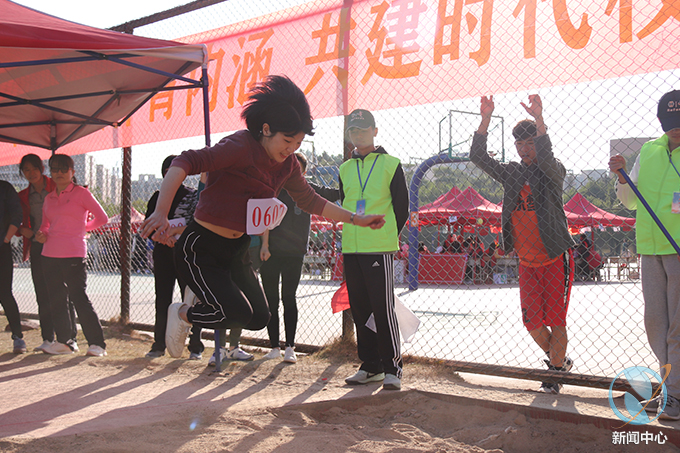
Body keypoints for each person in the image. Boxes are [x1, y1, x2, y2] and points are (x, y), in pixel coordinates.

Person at [139, 76, 385, 358]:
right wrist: (161, 212)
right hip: (201, 248)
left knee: (258, 317)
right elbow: (184, 161)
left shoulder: (288, 165)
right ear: (266, 129)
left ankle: (191, 309)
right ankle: (183, 314)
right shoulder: (239, 146)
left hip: (237, 249)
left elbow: (310, 200)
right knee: (235, 312)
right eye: (287, 140)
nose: (291, 149)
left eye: (298, 143)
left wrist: (354, 218)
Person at [470, 95, 575, 394]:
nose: (525, 148)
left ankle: (554, 374)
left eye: (530, 143)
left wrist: (539, 119)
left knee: (556, 320)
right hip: (527, 261)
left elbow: (547, 155)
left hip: (554, 256)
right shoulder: (512, 173)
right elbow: (478, 157)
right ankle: (560, 361)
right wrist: (486, 119)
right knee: (532, 323)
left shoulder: (553, 171)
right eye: (520, 144)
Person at [609, 89, 680, 420]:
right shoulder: (649, 150)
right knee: (656, 324)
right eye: (670, 121)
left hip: (678, 250)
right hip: (650, 249)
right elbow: (629, 201)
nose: (676, 127)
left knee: (677, 327)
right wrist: (622, 177)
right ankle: (672, 389)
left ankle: (674, 394)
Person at [340, 108, 409, 391]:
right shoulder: (344, 168)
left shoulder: (391, 164)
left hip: (378, 247)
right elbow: (345, 204)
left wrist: (387, 236)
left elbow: (401, 208)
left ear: (375, 131)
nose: (358, 135)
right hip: (351, 246)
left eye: (363, 129)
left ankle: (392, 367)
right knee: (359, 308)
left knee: (382, 308)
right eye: (353, 130)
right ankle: (370, 366)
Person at [260, 152, 340, 363]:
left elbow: (332, 194)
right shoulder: (273, 187)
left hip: (294, 253)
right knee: (271, 299)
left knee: (289, 297)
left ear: (303, 173)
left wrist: (351, 183)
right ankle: (274, 346)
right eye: (288, 167)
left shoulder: (307, 189)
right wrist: (264, 245)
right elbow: (264, 217)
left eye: (296, 169)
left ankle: (290, 347)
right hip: (270, 251)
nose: (291, 172)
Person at [35, 154, 109, 356]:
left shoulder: (82, 193)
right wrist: (42, 234)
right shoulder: (49, 198)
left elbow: (102, 218)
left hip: (73, 254)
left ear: (72, 172)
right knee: (56, 299)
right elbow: (45, 224)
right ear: (50, 172)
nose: (59, 173)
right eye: (55, 169)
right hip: (49, 254)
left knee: (78, 297)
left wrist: (83, 228)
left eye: (63, 169)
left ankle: (97, 344)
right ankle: (66, 342)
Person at [144, 155, 205, 359]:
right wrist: (163, 238)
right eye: (169, 171)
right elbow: (148, 226)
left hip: (185, 255)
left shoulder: (192, 196)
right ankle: (158, 344)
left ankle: (195, 346)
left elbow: (196, 224)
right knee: (162, 298)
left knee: (190, 299)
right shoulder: (157, 197)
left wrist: (177, 238)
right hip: (163, 254)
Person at [17, 153, 76, 352]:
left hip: (60, 244)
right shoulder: (24, 195)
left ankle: (70, 338)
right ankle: (47, 338)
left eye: (34, 168)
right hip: (38, 246)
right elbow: (16, 218)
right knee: (42, 292)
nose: (31, 173)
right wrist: (22, 230)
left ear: (42, 169)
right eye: (26, 170)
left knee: (63, 291)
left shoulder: (57, 186)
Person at [0, 178, 26, 354]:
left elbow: (17, 215)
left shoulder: (5, 188)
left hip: (2, 248)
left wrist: (6, 239)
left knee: (4, 293)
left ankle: (18, 337)